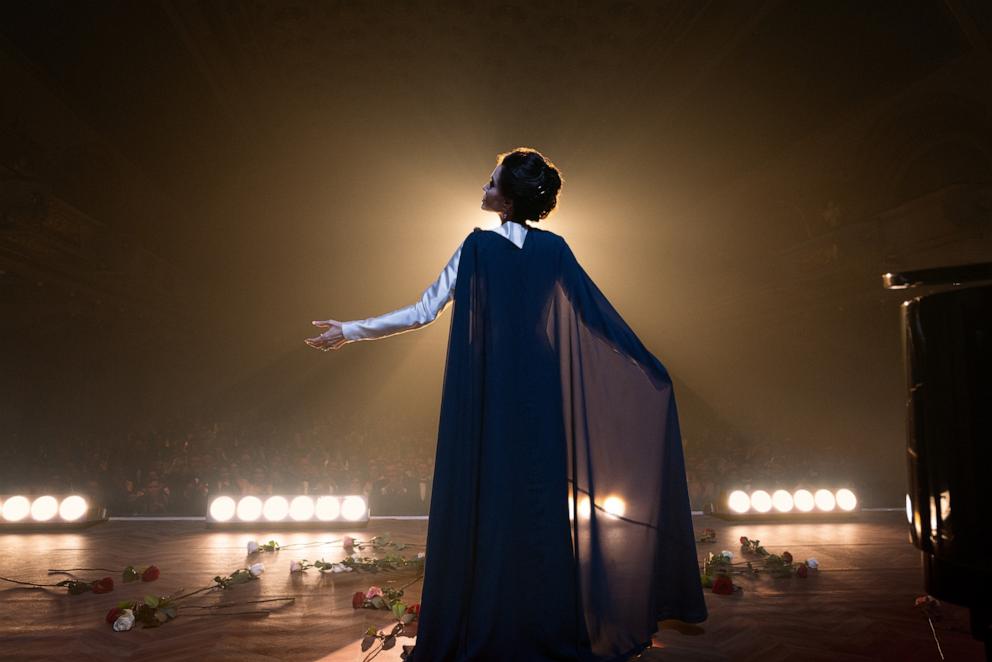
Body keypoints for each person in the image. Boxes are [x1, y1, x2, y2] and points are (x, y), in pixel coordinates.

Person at [306, 148, 706, 661]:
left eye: (490, 181)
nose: (483, 187)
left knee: (489, 498)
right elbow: (599, 319)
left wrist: (351, 331)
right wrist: (649, 365)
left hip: (490, 382)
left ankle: (492, 619)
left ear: (507, 197)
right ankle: (542, 621)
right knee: (536, 504)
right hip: (537, 382)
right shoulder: (555, 250)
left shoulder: (476, 247)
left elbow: (423, 311)